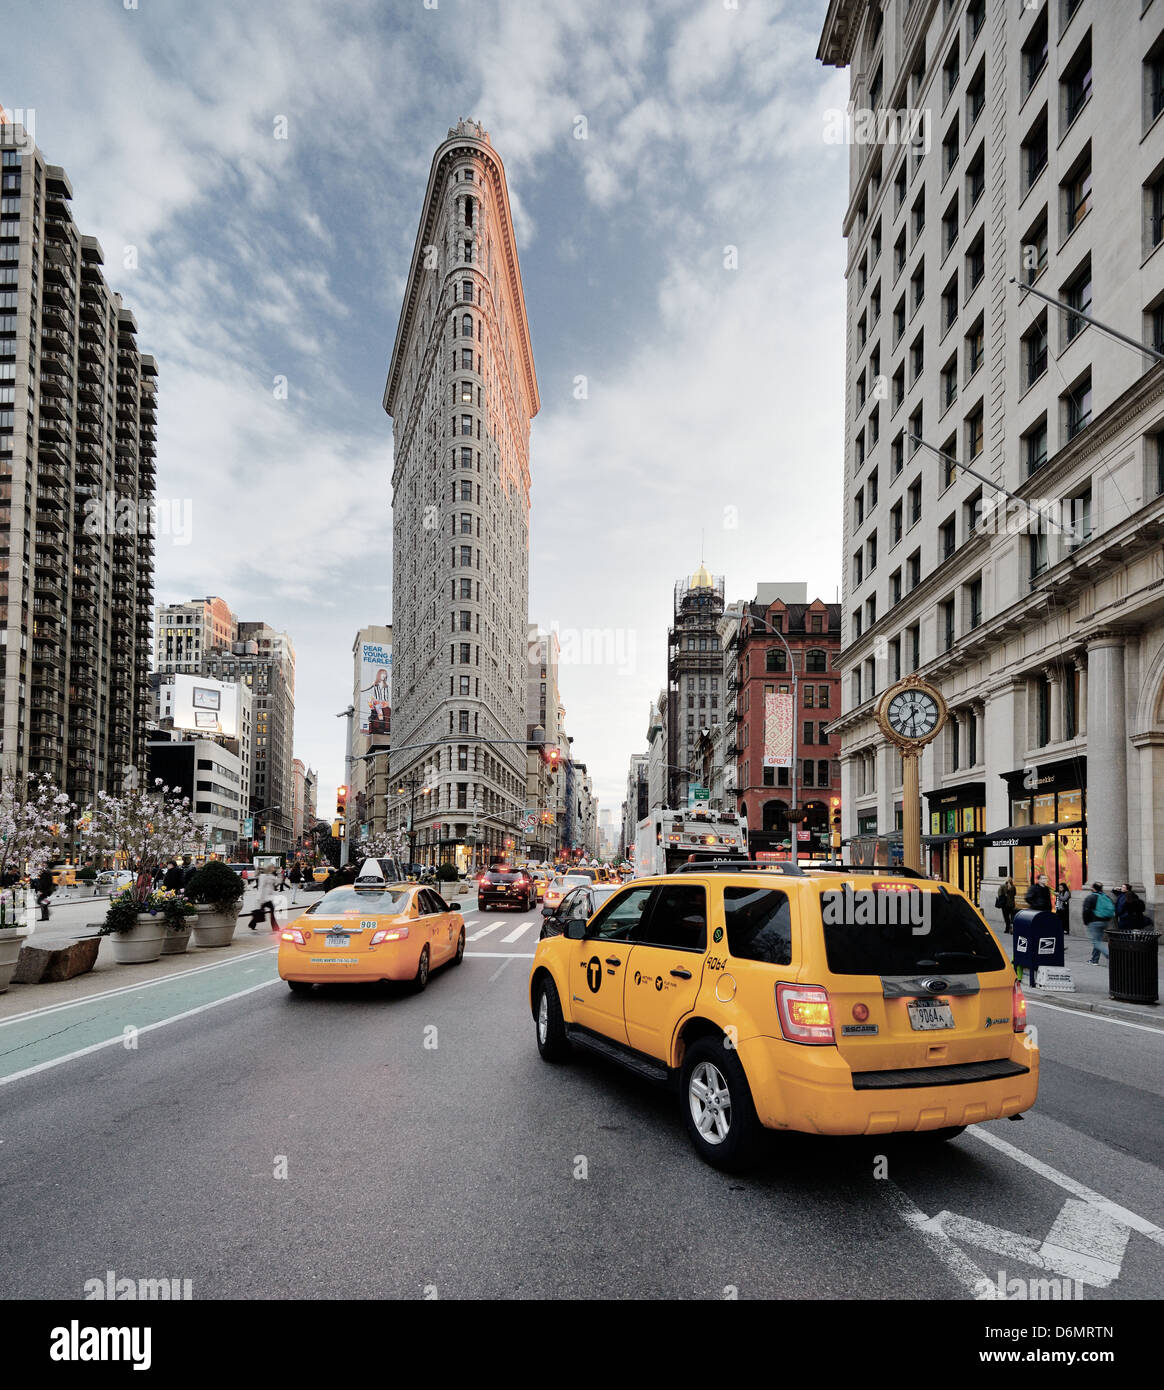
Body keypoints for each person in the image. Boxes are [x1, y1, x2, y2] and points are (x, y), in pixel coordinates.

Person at [1081, 881, 1114, 964]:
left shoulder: (1090, 897)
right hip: (1105, 921)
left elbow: (1086, 911)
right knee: (1098, 941)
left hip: (1094, 922)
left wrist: (1086, 922)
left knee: (1096, 942)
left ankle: (1109, 955)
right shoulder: (1106, 897)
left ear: (1093, 888)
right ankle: (1094, 960)